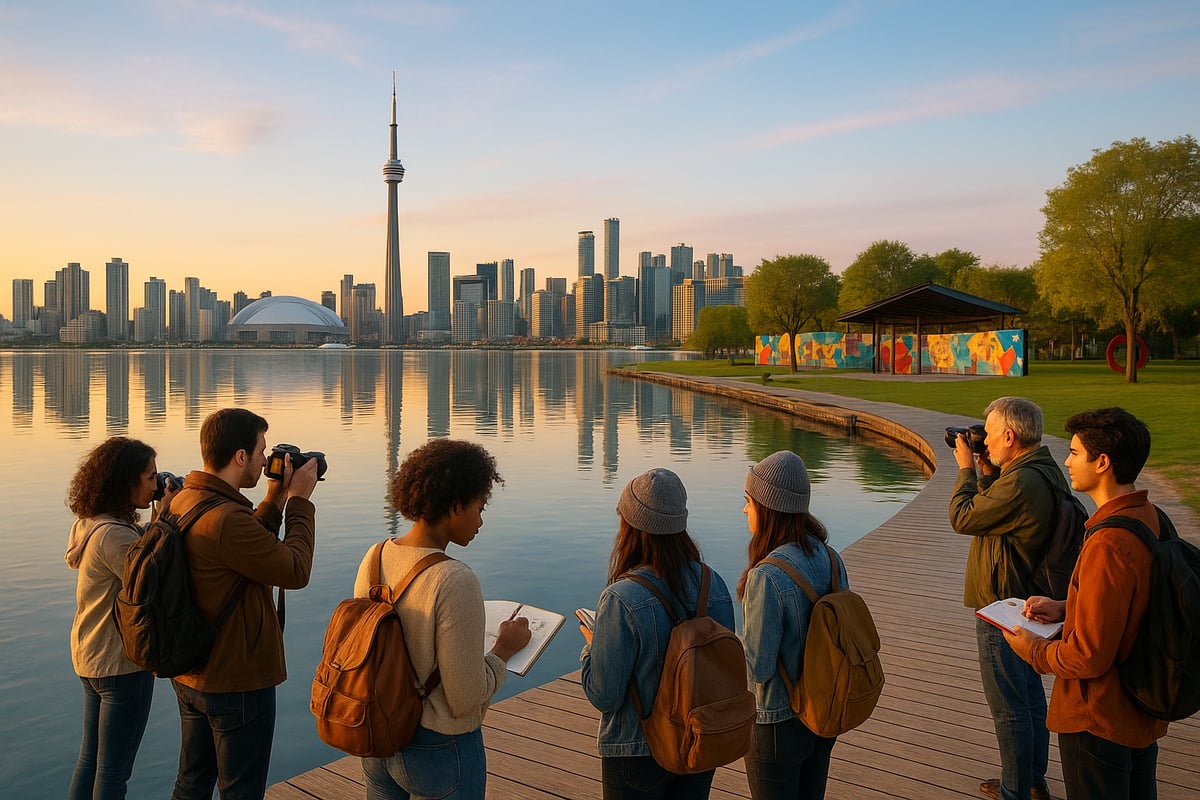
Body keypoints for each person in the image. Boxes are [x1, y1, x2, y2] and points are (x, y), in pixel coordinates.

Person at [1005, 407, 1168, 800]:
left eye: (1075, 452)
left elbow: (1089, 657)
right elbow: (1134, 599)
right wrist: (1067, 606)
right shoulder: (1150, 515)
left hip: (1098, 718)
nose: (1066, 461)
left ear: (1103, 462)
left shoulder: (1109, 542)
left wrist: (1034, 651)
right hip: (1140, 707)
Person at [357, 438, 530, 800]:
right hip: (437, 749)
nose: (481, 521)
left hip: (378, 735)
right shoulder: (454, 579)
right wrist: (503, 649)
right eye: (479, 508)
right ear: (454, 506)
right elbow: (464, 697)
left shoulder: (375, 557)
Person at [168, 408, 319, 800]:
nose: (265, 462)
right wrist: (299, 503)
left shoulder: (186, 500)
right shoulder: (228, 520)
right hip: (236, 680)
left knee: (191, 784)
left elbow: (242, 550)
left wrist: (273, 498)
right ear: (240, 457)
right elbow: (295, 569)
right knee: (241, 791)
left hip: (191, 671)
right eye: (260, 452)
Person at [580, 467, 735, 800]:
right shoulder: (714, 585)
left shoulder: (622, 597)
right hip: (699, 741)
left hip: (637, 750)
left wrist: (592, 648)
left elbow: (604, 695)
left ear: (631, 527)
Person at [947, 396, 1064, 800]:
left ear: (1010, 436)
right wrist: (984, 474)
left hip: (1004, 608)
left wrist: (964, 469)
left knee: (1010, 707)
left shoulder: (1022, 481)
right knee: (1029, 700)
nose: (986, 443)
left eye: (991, 436)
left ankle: (1016, 790)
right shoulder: (1035, 470)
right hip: (1023, 602)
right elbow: (994, 513)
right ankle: (1030, 782)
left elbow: (963, 517)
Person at [65, 436, 176, 800]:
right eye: (149, 478)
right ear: (125, 482)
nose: (155, 485)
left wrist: (158, 517)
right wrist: (169, 519)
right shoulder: (114, 537)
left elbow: (139, 551)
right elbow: (151, 576)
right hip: (120, 664)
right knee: (114, 770)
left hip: (90, 658)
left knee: (90, 760)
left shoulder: (91, 524)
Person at [738, 450, 846, 800]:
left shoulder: (767, 575)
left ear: (767, 508)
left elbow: (759, 665)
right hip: (825, 709)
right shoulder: (831, 558)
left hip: (777, 723)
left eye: (748, 502)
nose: (744, 510)